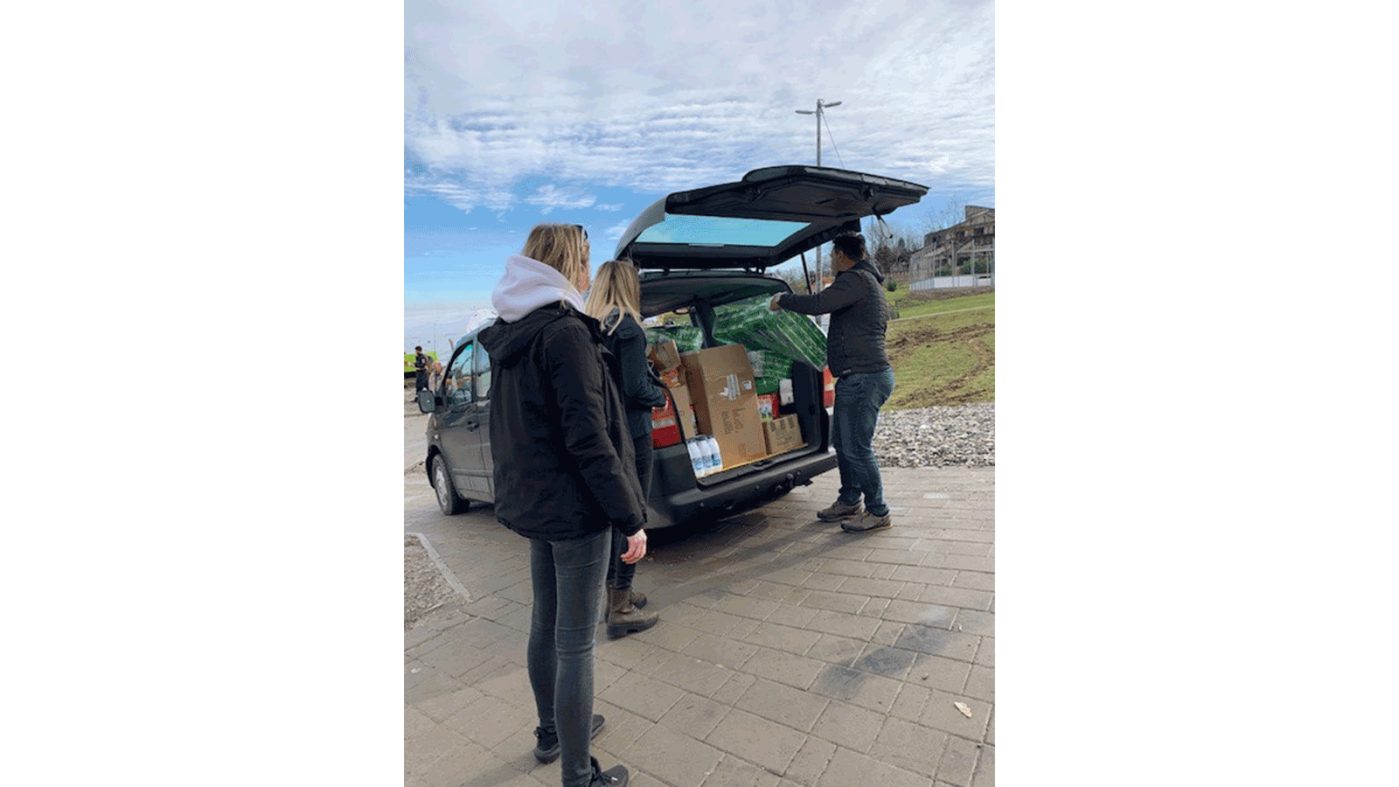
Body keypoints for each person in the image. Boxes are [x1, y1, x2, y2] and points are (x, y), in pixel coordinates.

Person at [477, 224, 640, 787]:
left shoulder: (512, 329)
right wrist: (629, 516)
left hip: (537, 505)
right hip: (575, 510)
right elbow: (589, 438)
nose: (588, 274)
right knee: (575, 642)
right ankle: (577, 774)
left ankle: (552, 732)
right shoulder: (565, 332)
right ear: (569, 264)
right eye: (585, 261)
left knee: (544, 623)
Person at [770, 233, 896, 533]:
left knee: (857, 448)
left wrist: (783, 300)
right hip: (858, 376)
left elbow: (819, 303)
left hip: (864, 377)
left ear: (841, 255)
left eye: (831, 255)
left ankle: (878, 511)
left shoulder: (856, 279)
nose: (830, 260)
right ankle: (850, 499)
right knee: (843, 443)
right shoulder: (867, 281)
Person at [584, 260, 664, 639]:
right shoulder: (629, 329)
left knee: (616, 513)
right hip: (633, 432)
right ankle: (621, 606)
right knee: (634, 514)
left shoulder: (593, 328)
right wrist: (659, 396)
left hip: (606, 431)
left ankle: (616, 594)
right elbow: (635, 387)